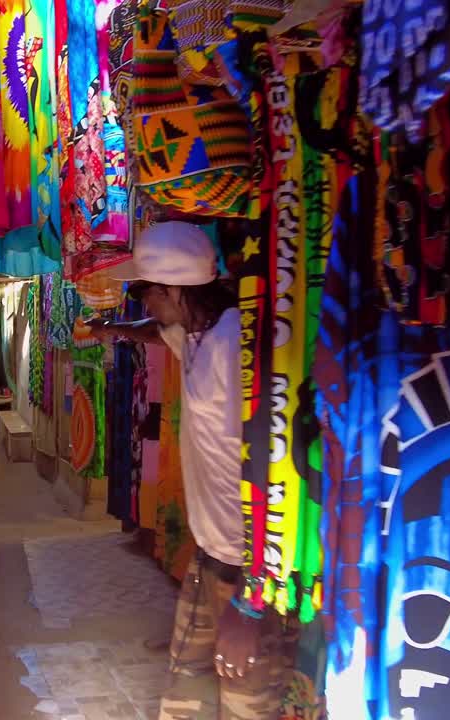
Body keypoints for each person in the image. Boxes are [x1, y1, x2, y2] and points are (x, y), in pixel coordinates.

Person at [91, 222, 293, 719]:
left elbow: (276, 471)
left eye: (145, 291)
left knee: (246, 704)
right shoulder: (195, 335)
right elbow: (156, 333)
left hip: (248, 571)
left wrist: (251, 602)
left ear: (175, 289)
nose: (142, 302)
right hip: (211, 557)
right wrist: (112, 330)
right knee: (185, 692)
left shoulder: (236, 347)